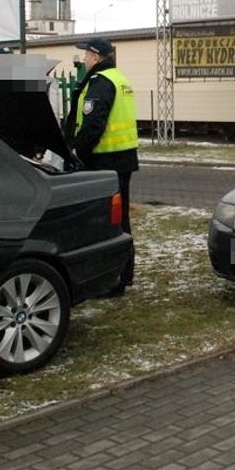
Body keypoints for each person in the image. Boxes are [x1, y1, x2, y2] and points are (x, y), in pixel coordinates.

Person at [66, 37, 138, 294]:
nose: (84, 60)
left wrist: (76, 154)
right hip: (121, 159)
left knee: (109, 223)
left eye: (86, 55)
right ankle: (123, 274)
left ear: (96, 57)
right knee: (120, 220)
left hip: (104, 161)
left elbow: (93, 125)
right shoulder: (120, 78)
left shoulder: (101, 82)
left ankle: (116, 278)